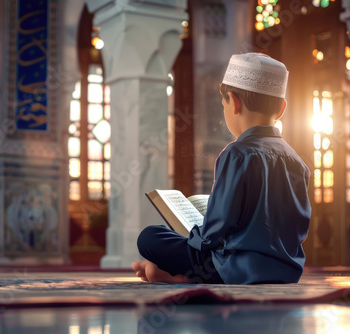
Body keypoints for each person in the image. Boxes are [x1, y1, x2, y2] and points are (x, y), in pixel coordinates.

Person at [132, 53, 311, 284]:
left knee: (150, 237)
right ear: (281, 108)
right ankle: (176, 275)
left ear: (233, 102)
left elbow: (216, 229)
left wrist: (193, 235)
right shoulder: (297, 161)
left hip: (236, 268)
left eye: (223, 103)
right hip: (287, 270)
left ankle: (182, 276)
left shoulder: (236, 154)